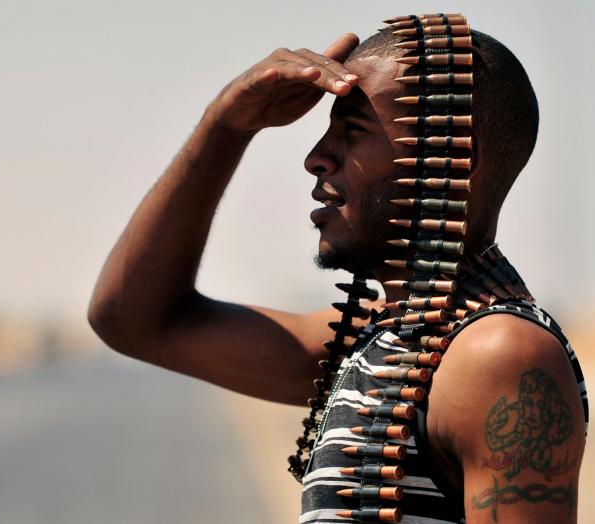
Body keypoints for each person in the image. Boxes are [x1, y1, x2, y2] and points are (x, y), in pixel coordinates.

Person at [88, 20, 588, 523]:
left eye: (353, 133)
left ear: (454, 159)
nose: (316, 158)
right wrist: (226, 124)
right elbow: (133, 319)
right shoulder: (383, 342)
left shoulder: (496, 356)